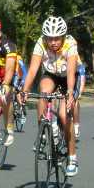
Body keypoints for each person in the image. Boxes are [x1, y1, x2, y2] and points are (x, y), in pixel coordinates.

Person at [21, 16, 79, 177]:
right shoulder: (40, 42)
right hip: (51, 74)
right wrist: (24, 90)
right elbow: (33, 70)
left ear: (63, 36)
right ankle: (43, 135)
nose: (53, 42)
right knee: (43, 93)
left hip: (69, 77)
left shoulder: (70, 43)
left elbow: (71, 71)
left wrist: (70, 92)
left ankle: (72, 158)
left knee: (64, 115)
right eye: (49, 38)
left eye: (57, 38)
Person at [0, 16, 20, 147]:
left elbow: (10, 68)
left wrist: (6, 84)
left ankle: (9, 128)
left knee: (5, 97)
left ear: (0, 33)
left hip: (8, 75)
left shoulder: (8, 45)